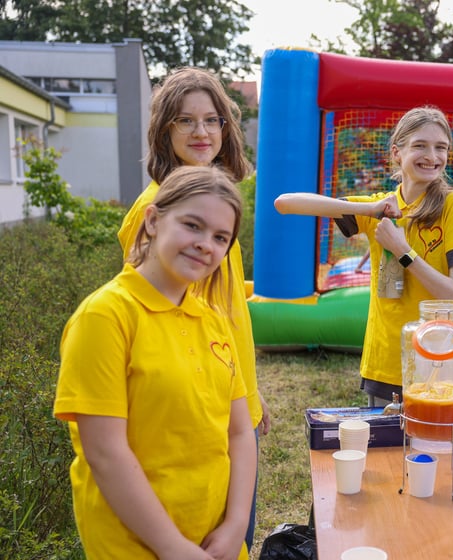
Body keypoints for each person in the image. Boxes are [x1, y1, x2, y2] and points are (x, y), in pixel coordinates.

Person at [54, 166, 256, 560]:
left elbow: (238, 433)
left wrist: (234, 527)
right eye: (192, 226)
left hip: (215, 539)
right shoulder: (105, 316)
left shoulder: (213, 319)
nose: (205, 245)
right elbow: (105, 452)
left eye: (220, 237)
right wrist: (172, 547)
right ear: (152, 220)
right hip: (135, 544)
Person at [116, 66, 269, 552]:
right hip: (195, 410)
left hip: (230, 396)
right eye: (186, 121)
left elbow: (226, 314)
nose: (201, 132)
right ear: (165, 131)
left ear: (227, 128)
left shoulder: (215, 203)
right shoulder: (154, 211)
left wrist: (249, 398)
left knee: (233, 531)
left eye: (212, 120)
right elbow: (155, 323)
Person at [275, 106, 453, 406]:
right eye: (420, 146)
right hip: (383, 362)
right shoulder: (379, 207)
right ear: (397, 152)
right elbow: (285, 203)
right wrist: (366, 210)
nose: (432, 156)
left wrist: (403, 251)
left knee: (429, 450)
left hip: (436, 361)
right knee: (384, 452)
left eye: (441, 148)